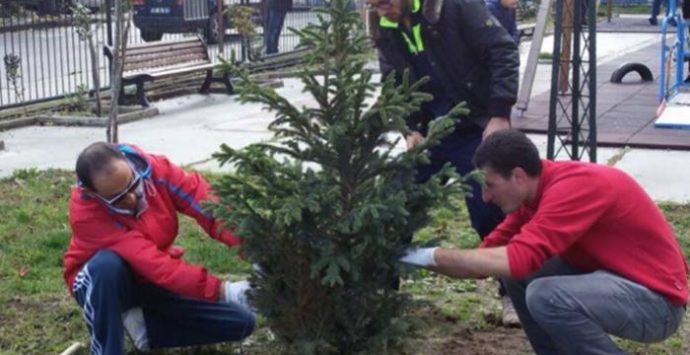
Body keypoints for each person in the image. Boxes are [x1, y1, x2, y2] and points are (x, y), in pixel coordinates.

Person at [401, 129, 688, 354]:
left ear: (518, 176)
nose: (486, 198)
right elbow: (484, 262)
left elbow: (518, 258)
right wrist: (405, 256)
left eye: (489, 185)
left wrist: (427, 255)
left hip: (657, 304)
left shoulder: (574, 187)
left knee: (545, 295)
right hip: (616, 284)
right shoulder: (533, 194)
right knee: (517, 276)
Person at [367, 0, 520, 324]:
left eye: (383, 3)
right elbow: (392, 81)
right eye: (372, 5)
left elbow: (503, 51)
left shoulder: (457, 7)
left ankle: (514, 295)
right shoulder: (384, 23)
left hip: (474, 125)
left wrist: (498, 113)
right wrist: (409, 128)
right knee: (396, 201)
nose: (380, 11)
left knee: (488, 208)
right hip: (431, 132)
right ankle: (380, 294)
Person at [63, 142, 255, 355]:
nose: (131, 198)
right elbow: (152, 262)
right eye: (117, 197)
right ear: (92, 192)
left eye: (132, 184)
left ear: (128, 162)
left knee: (241, 321)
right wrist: (223, 291)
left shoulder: (157, 170)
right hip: (102, 284)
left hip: (149, 281)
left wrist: (256, 248)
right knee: (107, 266)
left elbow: (207, 205)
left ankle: (142, 326)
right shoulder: (87, 215)